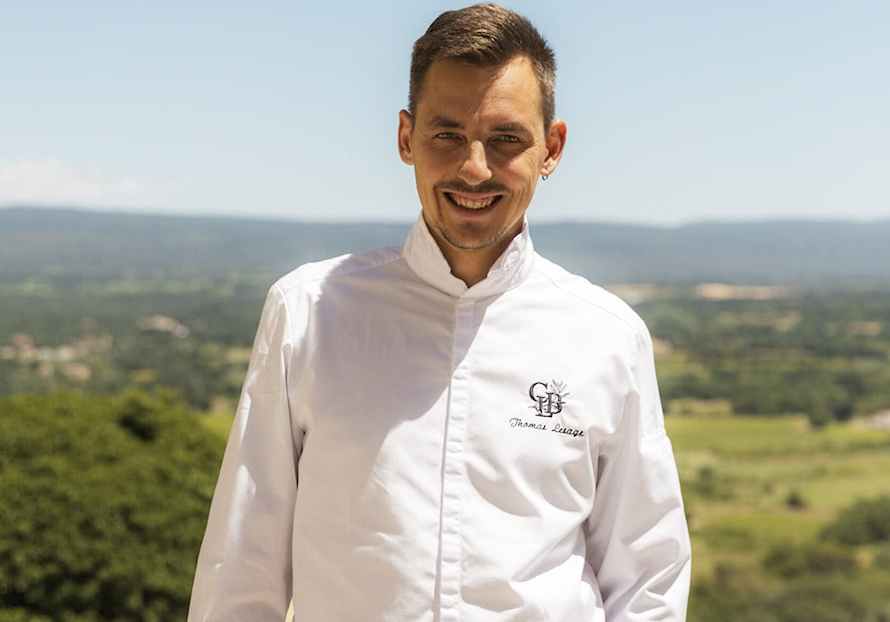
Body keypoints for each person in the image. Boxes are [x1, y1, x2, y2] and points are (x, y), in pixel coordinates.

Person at [188, 4, 691, 621]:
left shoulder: (609, 336)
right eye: (447, 134)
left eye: (506, 138)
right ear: (406, 138)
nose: (474, 167)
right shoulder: (307, 310)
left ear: (552, 147)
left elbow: (648, 577)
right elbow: (244, 563)